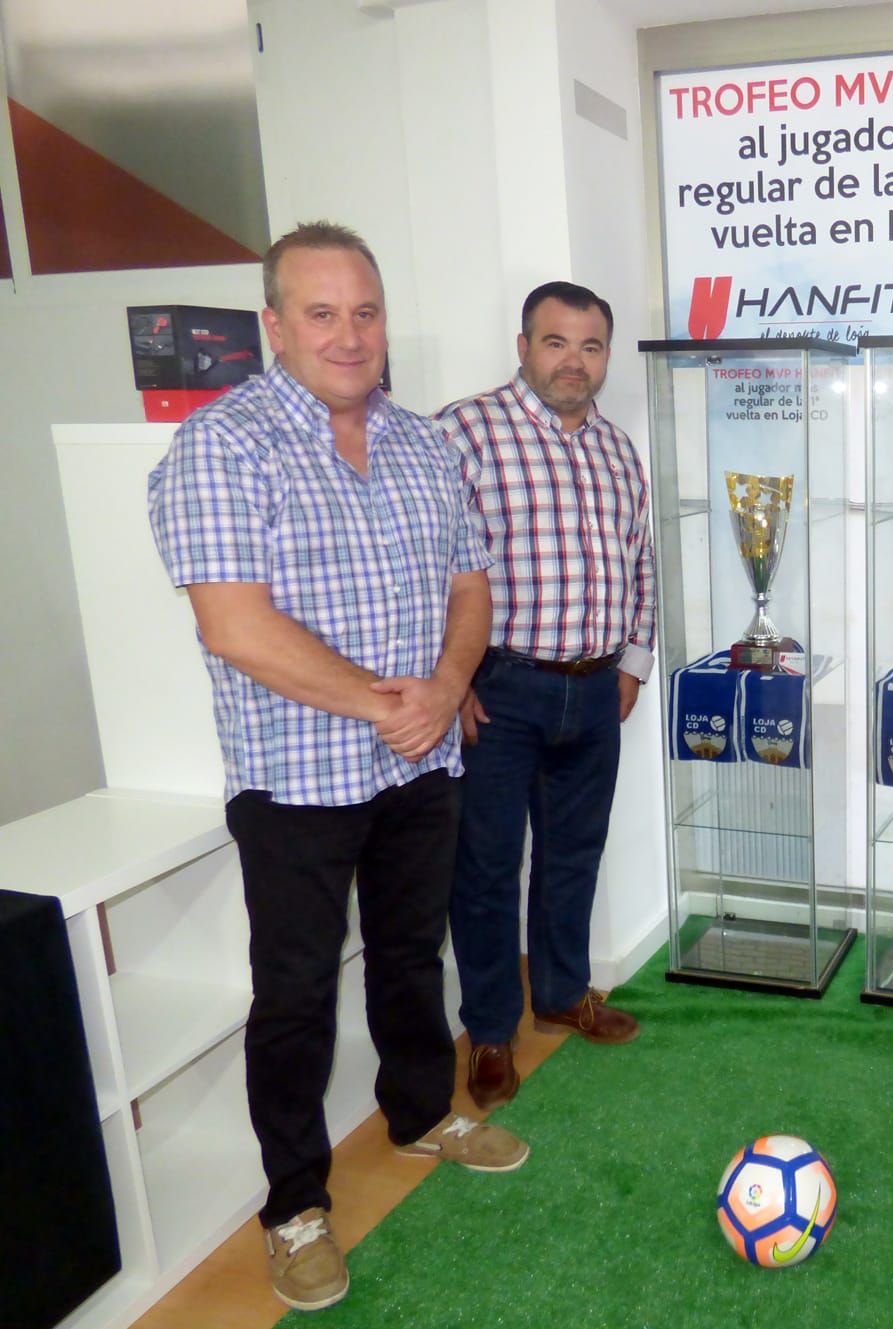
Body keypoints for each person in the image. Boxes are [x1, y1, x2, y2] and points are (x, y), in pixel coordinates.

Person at [148, 221, 528, 1314]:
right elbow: (234, 625)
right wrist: (385, 703)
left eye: (364, 312)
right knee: (297, 995)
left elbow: (470, 584)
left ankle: (419, 1115)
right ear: (274, 324)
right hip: (297, 781)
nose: (348, 335)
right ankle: (296, 1206)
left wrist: (449, 689)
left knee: (413, 955)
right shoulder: (221, 448)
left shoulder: (422, 445)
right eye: (321, 313)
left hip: (418, 770)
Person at [437, 281, 656, 1112]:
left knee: (574, 854)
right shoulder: (464, 432)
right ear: (523, 345)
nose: (574, 361)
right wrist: (448, 680)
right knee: (488, 868)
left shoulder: (616, 449)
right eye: (556, 342)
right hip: (500, 687)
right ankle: (491, 1031)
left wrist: (631, 662)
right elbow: (427, 568)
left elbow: (641, 565)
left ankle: (562, 993)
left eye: (590, 345)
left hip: (594, 691)